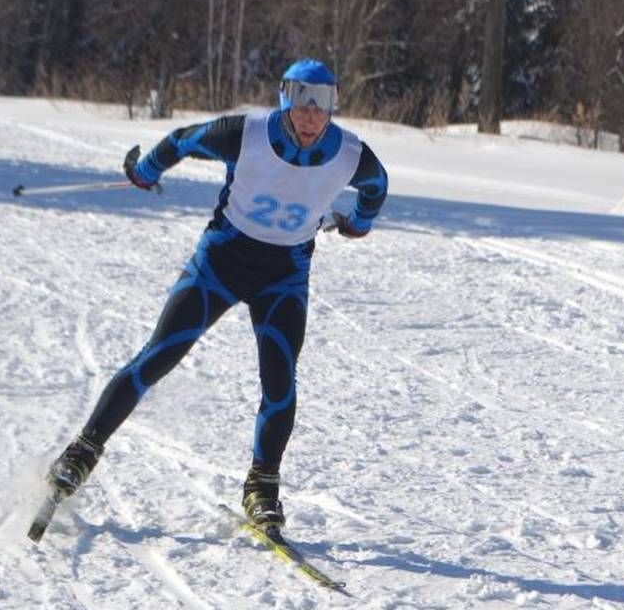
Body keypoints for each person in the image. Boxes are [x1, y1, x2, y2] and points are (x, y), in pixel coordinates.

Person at [44, 58, 387, 529]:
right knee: (160, 355)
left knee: (280, 381)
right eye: (302, 102)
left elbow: (377, 185)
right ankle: (81, 452)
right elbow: (182, 139)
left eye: (322, 104)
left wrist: (357, 224)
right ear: (285, 99)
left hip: (283, 276)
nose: (311, 116)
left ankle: (262, 486)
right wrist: (144, 172)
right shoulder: (245, 134)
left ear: (334, 105)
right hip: (220, 263)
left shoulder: (350, 153)